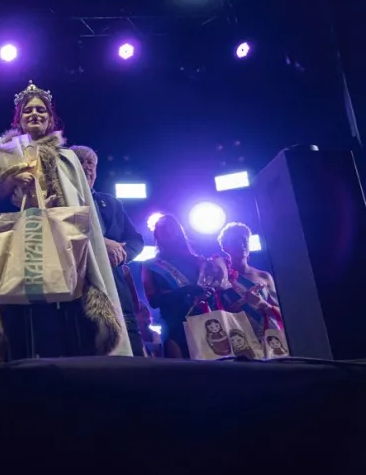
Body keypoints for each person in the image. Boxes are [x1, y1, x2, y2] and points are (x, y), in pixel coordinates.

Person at [0, 81, 131, 362]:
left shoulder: (67, 158)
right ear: (18, 119)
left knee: (67, 319)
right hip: (22, 250)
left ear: (50, 118)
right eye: (28, 111)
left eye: (41, 110)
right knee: (21, 317)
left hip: (62, 250)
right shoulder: (2, 156)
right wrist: (10, 182)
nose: (35, 114)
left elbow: (80, 206)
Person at [71, 145, 147, 357]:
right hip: (79, 288)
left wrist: (121, 254)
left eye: (91, 163)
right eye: (80, 161)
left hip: (116, 286)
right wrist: (101, 243)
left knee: (130, 349)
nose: (86, 167)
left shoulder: (111, 203)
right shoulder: (59, 202)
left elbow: (135, 240)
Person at [141, 215, 227, 358]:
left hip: (204, 322)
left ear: (179, 231)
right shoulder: (150, 265)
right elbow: (153, 301)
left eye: (170, 227)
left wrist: (208, 292)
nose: (167, 232)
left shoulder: (199, 261)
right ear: (156, 235)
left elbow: (215, 291)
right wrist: (186, 290)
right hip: (174, 323)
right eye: (161, 229)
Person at [217, 222, 282, 341]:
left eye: (245, 240)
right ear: (225, 246)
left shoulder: (264, 276)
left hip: (269, 339)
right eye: (235, 240)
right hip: (238, 340)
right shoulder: (221, 278)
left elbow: (281, 314)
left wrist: (263, 304)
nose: (242, 244)